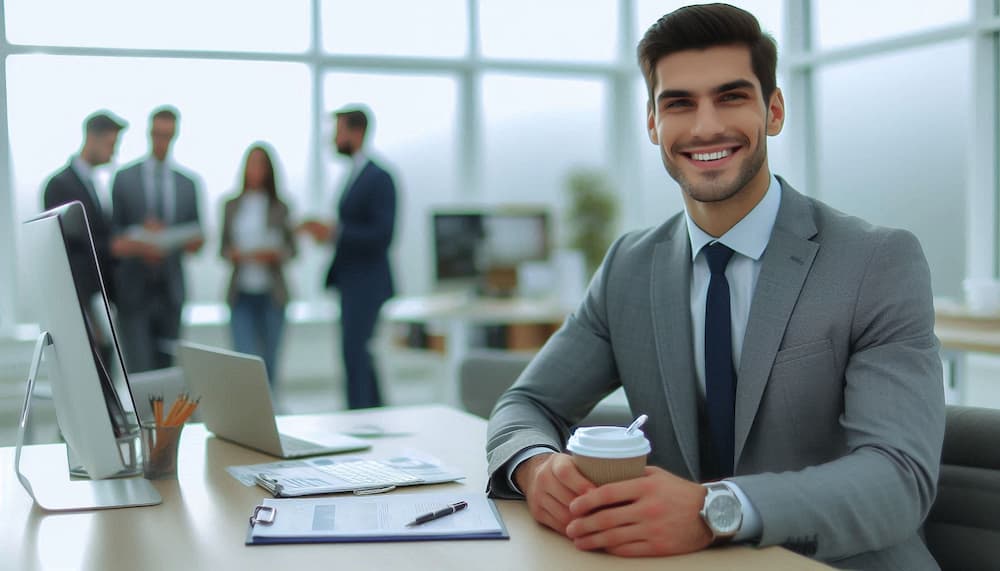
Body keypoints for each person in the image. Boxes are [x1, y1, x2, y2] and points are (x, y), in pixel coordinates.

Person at [485, 4, 944, 569]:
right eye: (679, 103)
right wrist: (535, 467)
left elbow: (900, 479)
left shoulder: (876, 262)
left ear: (773, 111)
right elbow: (527, 404)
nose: (705, 127)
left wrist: (716, 510)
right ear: (653, 123)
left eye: (731, 97)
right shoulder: (630, 266)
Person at [299, 106, 397, 410]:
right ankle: (373, 416)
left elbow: (383, 234)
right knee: (358, 356)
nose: (333, 138)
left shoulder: (379, 178)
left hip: (367, 283)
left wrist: (335, 232)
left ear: (357, 132)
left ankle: (360, 418)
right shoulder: (354, 175)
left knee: (356, 354)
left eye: (338, 131)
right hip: (351, 281)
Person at [110, 105, 204, 373]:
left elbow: (196, 236)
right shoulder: (125, 179)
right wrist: (142, 237)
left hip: (170, 291)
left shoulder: (187, 184)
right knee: (139, 370)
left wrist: (175, 240)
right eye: (158, 134)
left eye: (168, 135)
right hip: (134, 291)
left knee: (167, 371)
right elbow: (112, 235)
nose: (162, 141)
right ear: (150, 133)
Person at [43, 110, 127, 366]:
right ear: (93, 138)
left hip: (98, 293)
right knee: (94, 361)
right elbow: (67, 245)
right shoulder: (60, 184)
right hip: (80, 293)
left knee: (105, 358)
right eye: (111, 144)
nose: (114, 152)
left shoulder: (92, 183)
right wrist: (113, 247)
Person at [220, 143, 296, 386]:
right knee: (245, 359)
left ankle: (270, 406)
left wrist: (273, 254)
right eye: (252, 164)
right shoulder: (231, 205)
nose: (255, 170)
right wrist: (235, 254)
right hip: (241, 293)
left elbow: (292, 249)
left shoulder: (280, 207)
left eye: (261, 165)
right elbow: (222, 248)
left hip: (272, 295)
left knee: (269, 363)